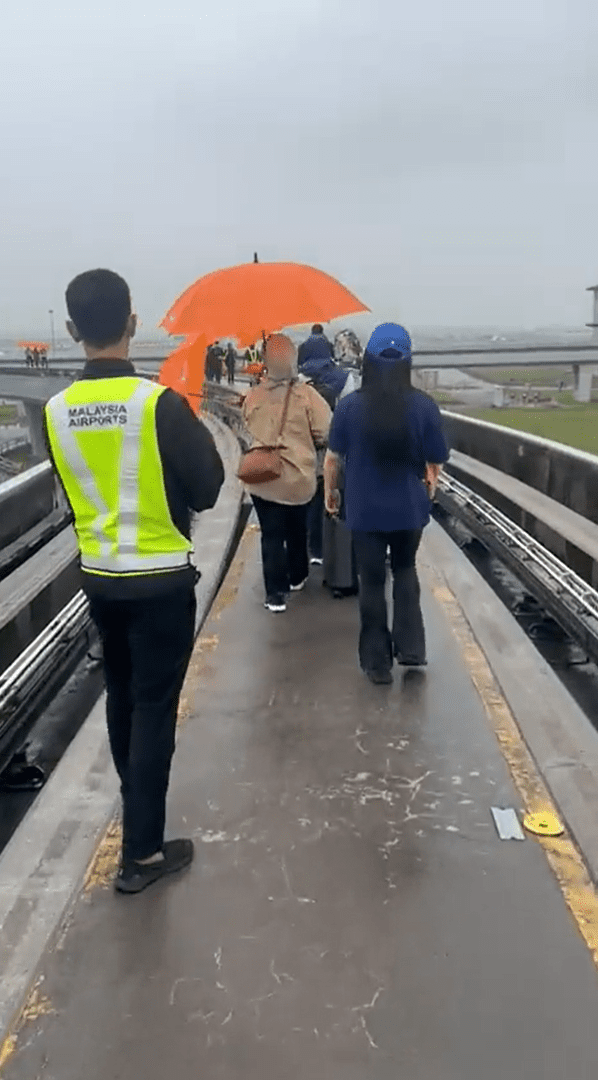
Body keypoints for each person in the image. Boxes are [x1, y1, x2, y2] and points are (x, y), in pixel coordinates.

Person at [43, 269, 225, 893]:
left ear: (73, 331)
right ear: (132, 323)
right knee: (153, 710)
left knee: (120, 697)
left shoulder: (56, 411)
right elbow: (208, 486)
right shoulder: (158, 404)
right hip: (160, 583)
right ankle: (142, 852)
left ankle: (135, 816)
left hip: (100, 580)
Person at [324, 323, 448, 685]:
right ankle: (412, 649)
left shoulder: (349, 407)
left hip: (364, 510)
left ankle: (377, 664)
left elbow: (332, 459)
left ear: (368, 361)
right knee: (406, 570)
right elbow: (435, 461)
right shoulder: (424, 406)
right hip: (409, 508)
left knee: (372, 581)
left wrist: (332, 493)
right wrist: (429, 488)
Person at [242, 334, 331, 612]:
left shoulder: (255, 394)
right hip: (297, 477)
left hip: (262, 475)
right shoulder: (308, 395)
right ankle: (297, 575)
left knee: (270, 534)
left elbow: (246, 423)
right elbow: (325, 430)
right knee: (296, 528)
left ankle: (275, 595)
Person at [298, 336, 355, 566]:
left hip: (306, 447)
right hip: (337, 447)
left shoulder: (298, 380)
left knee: (310, 498)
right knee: (335, 494)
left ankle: (314, 550)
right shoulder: (345, 379)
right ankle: (337, 547)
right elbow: (350, 413)